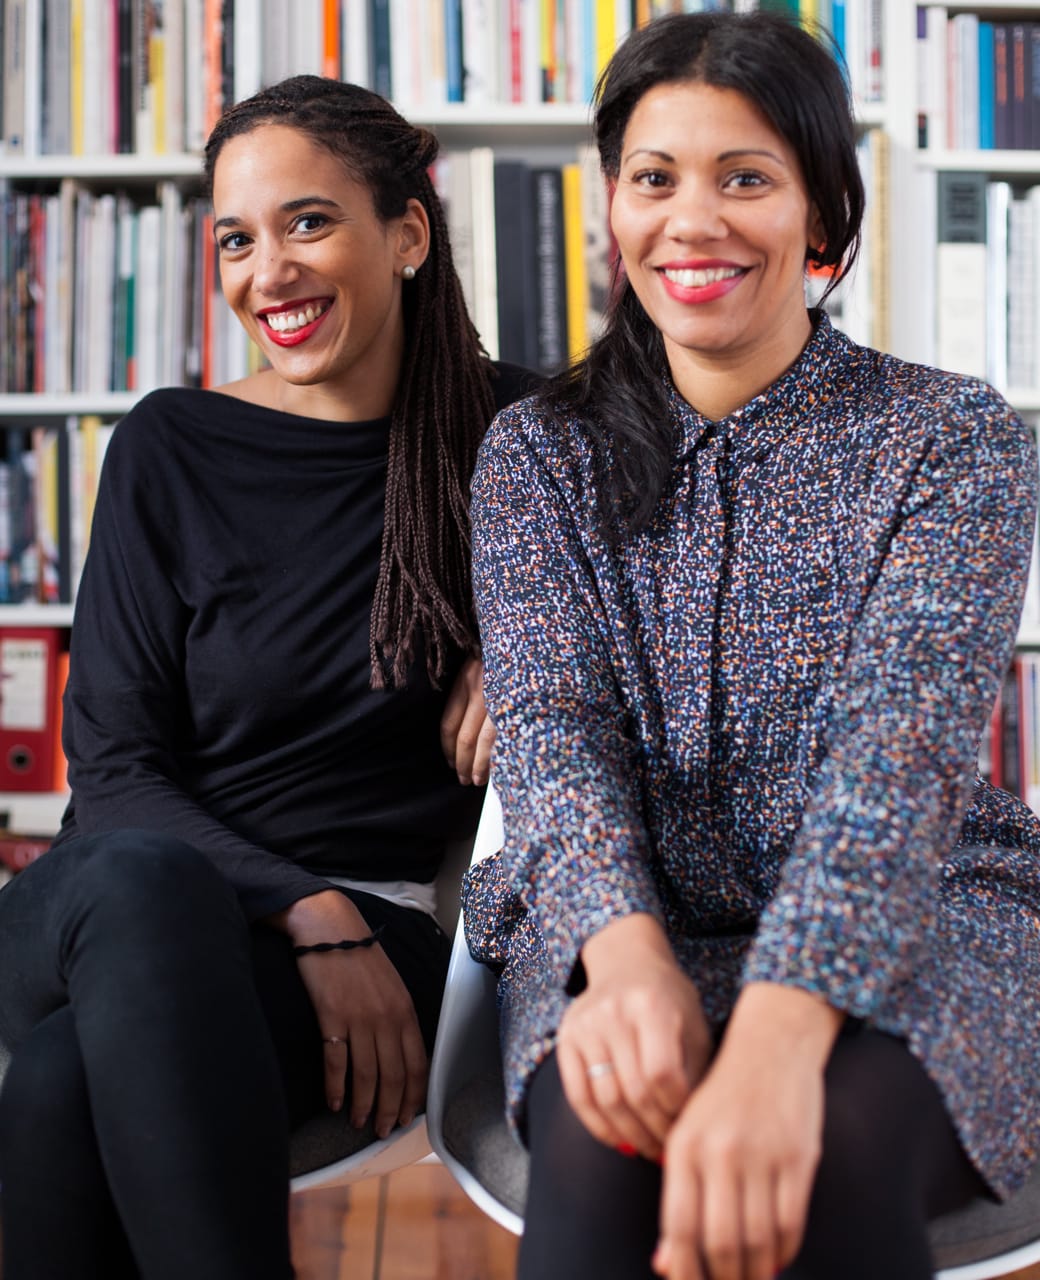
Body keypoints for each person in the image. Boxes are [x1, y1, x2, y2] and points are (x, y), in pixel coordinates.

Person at [462, 11, 1040, 1280]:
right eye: (654, 178)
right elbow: (552, 733)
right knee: (599, 1158)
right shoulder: (535, 454)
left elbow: (901, 750)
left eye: (746, 178)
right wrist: (623, 963)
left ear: (823, 216)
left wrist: (780, 1037)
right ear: (611, 207)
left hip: (914, 912)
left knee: (826, 1155)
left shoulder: (954, 439)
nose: (692, 219)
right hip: (617, 918)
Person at [0, 75, 536, 1280]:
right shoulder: (166, 446)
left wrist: (533, 652)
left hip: (379, 927)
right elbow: (118, 769)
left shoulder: (519, 439)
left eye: (307, 222)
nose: (266, 271)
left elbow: (690, 591)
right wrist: (308, 906)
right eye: (236, 240)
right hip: (111, 905)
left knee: (54, 1083)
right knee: (147, 879)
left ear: (405, 232)